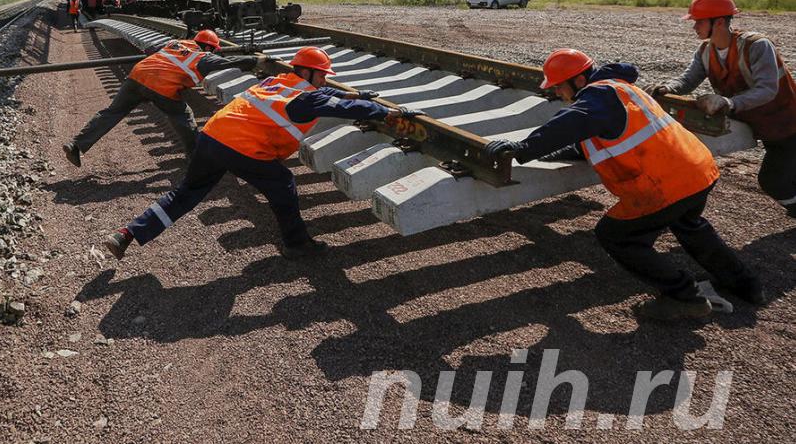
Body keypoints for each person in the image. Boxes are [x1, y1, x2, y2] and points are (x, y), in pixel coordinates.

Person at [485, 48, 764, 321]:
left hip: (666, 185)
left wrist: (521, 148)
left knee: (617, 236)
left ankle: (684, 297)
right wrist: (552, 154)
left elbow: (568, 124)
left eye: (559, 87)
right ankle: (745, 284)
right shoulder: (618, 90)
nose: (557, 93)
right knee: (689, 225)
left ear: (579, 80)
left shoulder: (597, 97)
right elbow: (593, 138)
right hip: (697, 171)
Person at [103, 47, 421, 260]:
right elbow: (346, 107)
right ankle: (298, 245)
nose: (325, 79)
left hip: (211, 136)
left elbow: (326, 94)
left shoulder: (279, 81)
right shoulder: (306, 98)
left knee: (186, 193)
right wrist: (384, 111)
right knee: (282, 183)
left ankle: (127, 233)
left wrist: (355, 93)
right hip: (241, 147)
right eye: (322, 74)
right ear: (309, 74)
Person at [649, 0, 796, 217]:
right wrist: (667, 88)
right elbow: (688, 79)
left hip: (788, 125)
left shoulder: (757, 46)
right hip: (767, 127)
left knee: (774, 181)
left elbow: (767, 89)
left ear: (718, 22)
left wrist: (729, 102)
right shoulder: (706, 52)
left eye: (699, 21)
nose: (694, 27)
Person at [62, 29, 260, 166]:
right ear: (209, 48)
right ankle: (195, 158)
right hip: (162, 86)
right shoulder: (203, 57)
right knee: (184, 117)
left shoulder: (176, 43)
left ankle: (76, 145)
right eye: (214, 49)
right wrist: (256, 60)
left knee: (111, 113)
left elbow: (151, 51)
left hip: (137, 77)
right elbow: (229, 62)